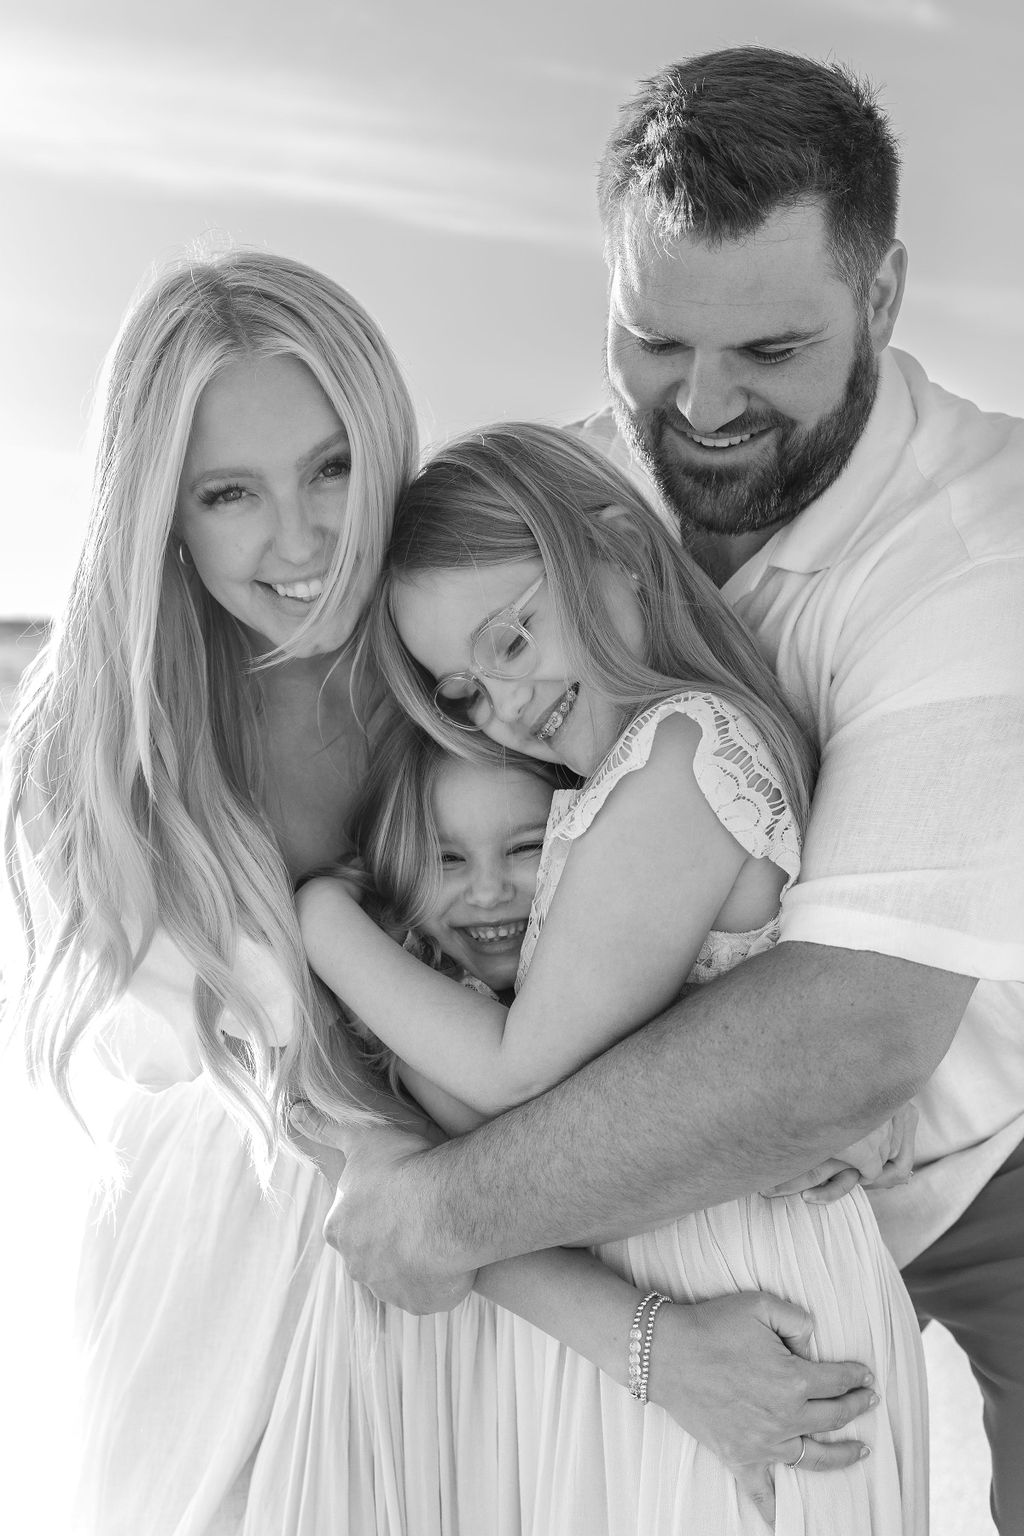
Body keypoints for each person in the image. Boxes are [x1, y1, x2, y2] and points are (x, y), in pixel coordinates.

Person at [3, 245, 876, 1535]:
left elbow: (601, 972)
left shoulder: (458, 669)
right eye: (228, 493)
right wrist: (646, 1345)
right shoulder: (113, 759)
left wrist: (748, 1118)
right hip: (252, 1273)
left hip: (476, 1266)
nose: (302, 540)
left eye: (333, 467)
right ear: (161, 514)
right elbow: (342, 1133)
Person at [310, 48, 1024, 1534]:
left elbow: (846, 1044)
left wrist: (446, 1213)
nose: (697, 408)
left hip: (992, 1164)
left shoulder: (980, 552)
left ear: (882, 299)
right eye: (653, 345)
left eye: (768, 350)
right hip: (682, 1195)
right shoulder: (554, 512)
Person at [289, 422, 926, 1534]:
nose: (505, 702)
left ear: (621, 551)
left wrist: (320, 918)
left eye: (514, 636)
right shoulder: (621, 780)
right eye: (462, 690)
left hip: (738, 1285)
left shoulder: (682, 753)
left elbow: (517, 1079)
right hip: (671, 1266)